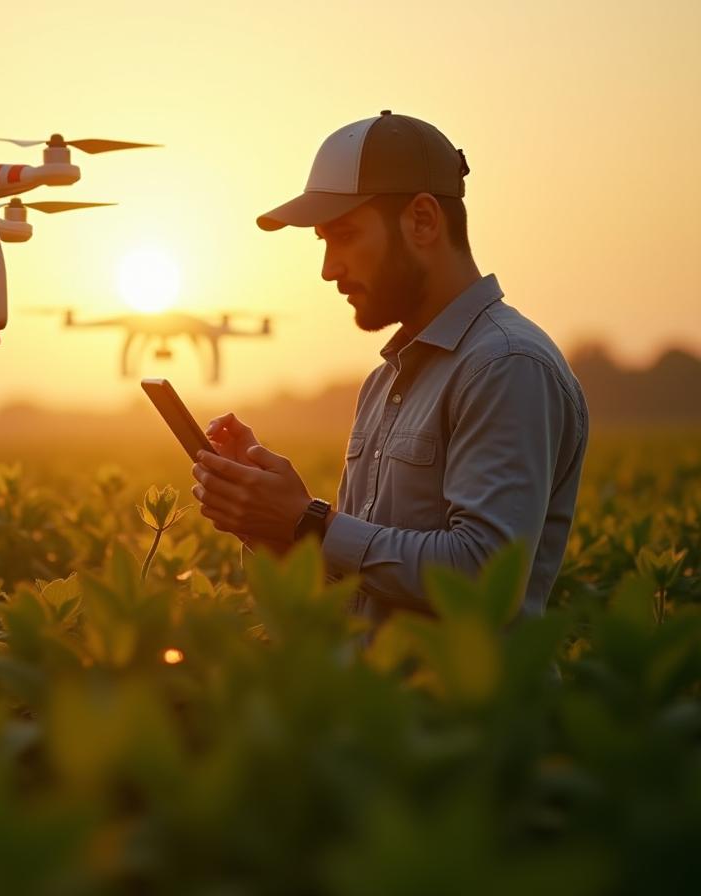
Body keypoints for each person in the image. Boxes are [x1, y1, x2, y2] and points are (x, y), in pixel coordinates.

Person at [191, 110, 588, 621]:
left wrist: (308, 522)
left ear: (422, 220)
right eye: (324, 242)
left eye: (346, 236)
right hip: (373, 699)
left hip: (471, 703)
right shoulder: (385, 382)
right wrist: (269, 524)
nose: (328, 269)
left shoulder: (506, 365)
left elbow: (485, 578)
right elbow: (362, 583)